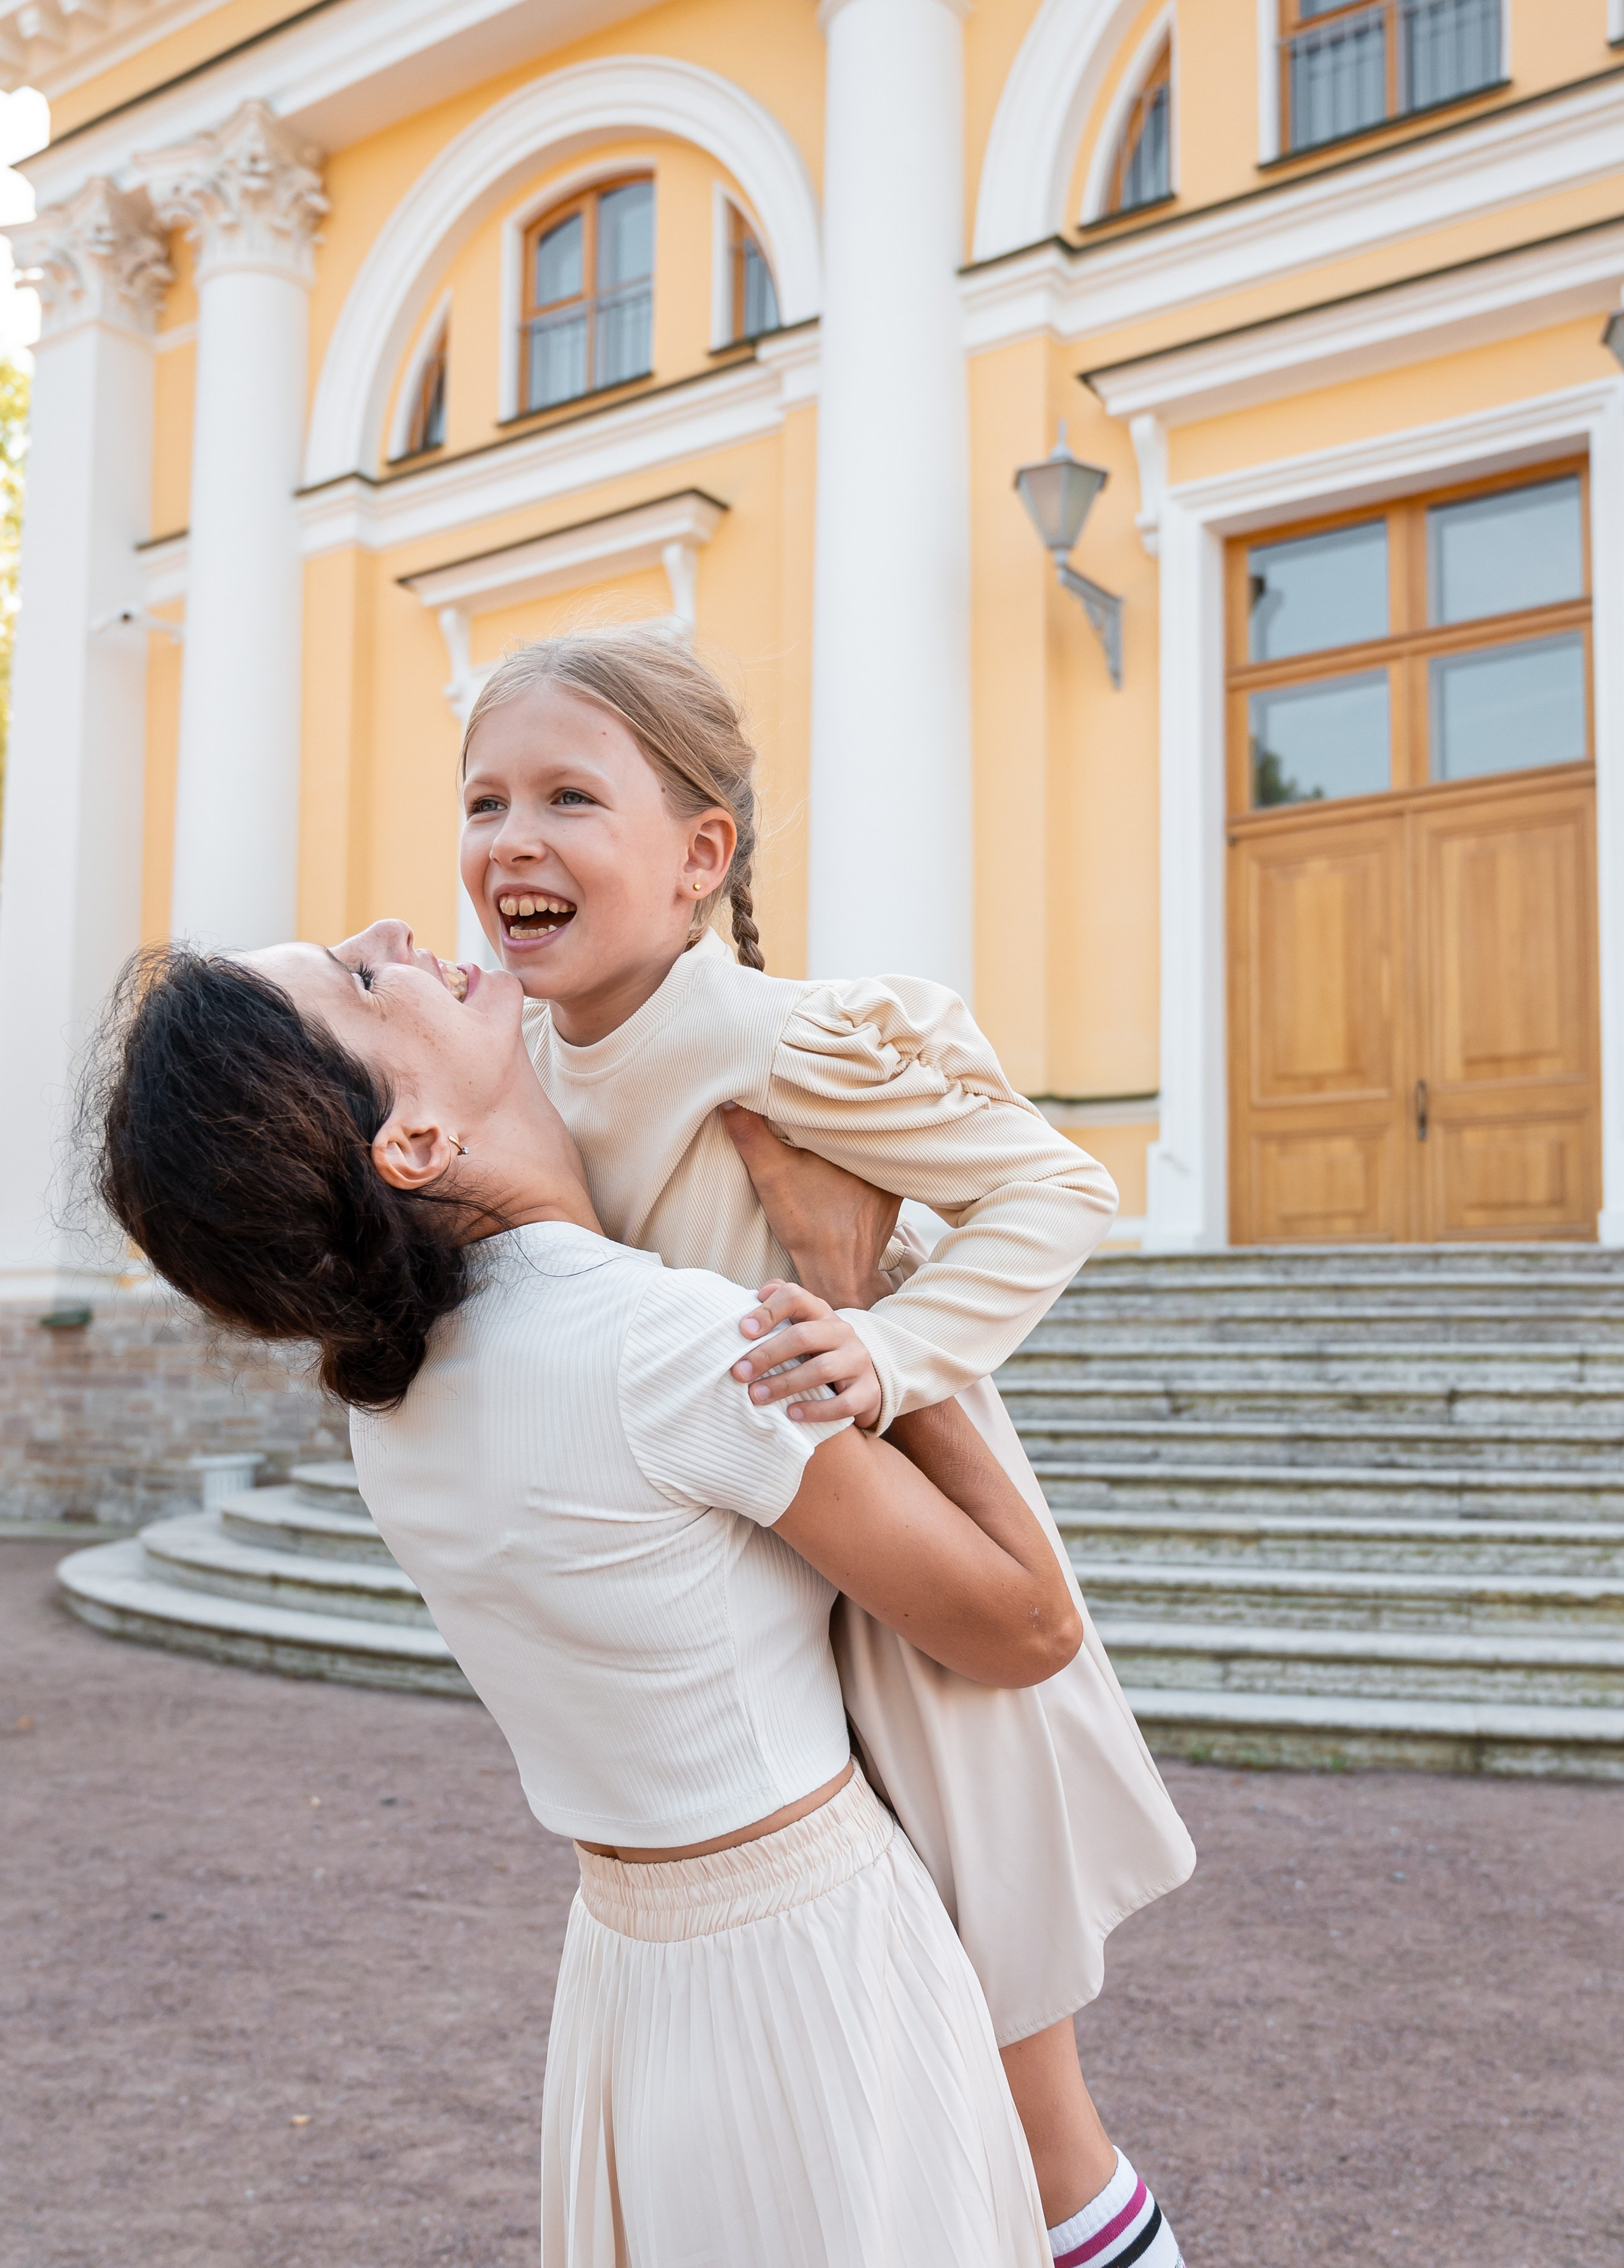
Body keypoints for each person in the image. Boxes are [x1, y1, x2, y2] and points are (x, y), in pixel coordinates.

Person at [88, 931, 1081, 2265]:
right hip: (816, 1962)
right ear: (415, 1140)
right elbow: (1028, 1625)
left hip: (626, 1976)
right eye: (361, 981)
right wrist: (857, 1303)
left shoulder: (392, 1403)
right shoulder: (663, 1347)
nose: (392, 939)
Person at [453, 625, 1195, 2267]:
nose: (512, 838)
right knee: (901, 2087)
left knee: (1011, 2065)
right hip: (747, 1593)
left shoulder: (776, 1043)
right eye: (484, 799)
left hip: (891, 1557)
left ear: (698, 856)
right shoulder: (531, 1073)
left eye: (569, 797)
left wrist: (889, 1349)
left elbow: (1056, 1186)